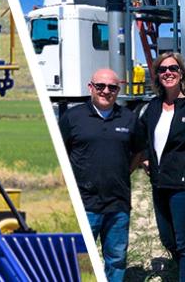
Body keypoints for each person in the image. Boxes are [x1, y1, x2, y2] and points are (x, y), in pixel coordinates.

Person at [136, 52, 185, 281]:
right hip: (159, 184)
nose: (167, 73)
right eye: (162, 70)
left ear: (181, 74)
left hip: (184, 187)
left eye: (173, 69)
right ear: (157, 75)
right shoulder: (153, 107)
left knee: (184, 241)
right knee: (167, 239)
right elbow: (144, 137)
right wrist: (145, 158)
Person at [59, 68, 140, 282]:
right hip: (84, 203)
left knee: (116, 258)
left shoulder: (129, 118)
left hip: (118, 203)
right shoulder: (72, 117)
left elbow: (139, 151)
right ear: (90, 87)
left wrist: (123, 172)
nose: (106, 91)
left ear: (118, 90)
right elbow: (61, 153)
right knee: (77, 260)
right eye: (100, 86)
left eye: (112, 87)